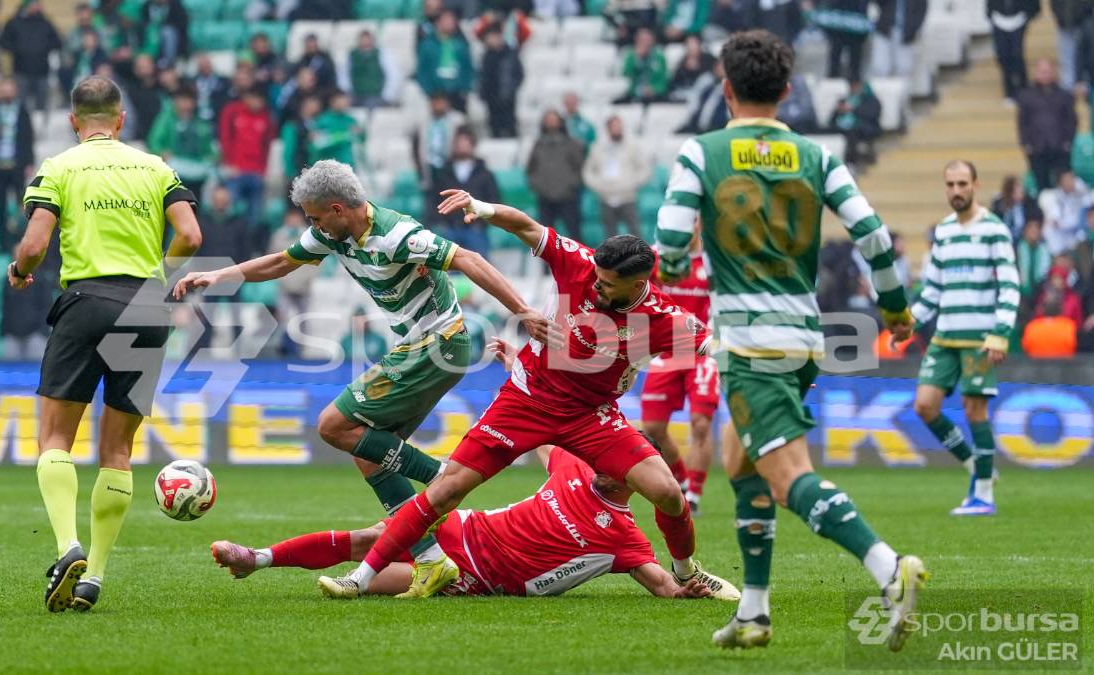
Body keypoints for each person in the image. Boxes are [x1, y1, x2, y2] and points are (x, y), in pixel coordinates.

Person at [315, 189, 730, 604]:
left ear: (638, 284)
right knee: (446, 491)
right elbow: (526, 226)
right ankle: (362, 577)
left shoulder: (664, 318)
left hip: (591, 415)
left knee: (666, 492)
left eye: (607, 285)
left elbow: (717, 349)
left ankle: (688, 572)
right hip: (527, 398)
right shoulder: (580, 262)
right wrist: (482, 208)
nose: (596, 287)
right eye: (597, 279)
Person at [653, 30, 924, 651]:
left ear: (726, 88)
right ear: (787, 90)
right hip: (803, 336)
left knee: (787, 477)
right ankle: (753, 612)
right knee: (739, 463)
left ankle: (889, 570)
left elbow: (669, 244)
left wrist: (669, 269)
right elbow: (875, 238)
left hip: (752, 343)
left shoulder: (702, 151)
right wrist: (896, 312)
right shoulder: (818, 155)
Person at [172, 160, 553, 597]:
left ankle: (440, 474)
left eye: (315, 217)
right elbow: (281, 262)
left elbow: (468, 258)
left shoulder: (396, 234)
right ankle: (430, 561)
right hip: (415, 346)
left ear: (337, 209)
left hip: (438, 343)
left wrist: (522, 310)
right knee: (367, 450)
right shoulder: (332, 234)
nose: (311, 226)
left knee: (333, 424)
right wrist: (219, 274)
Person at [8, 76, 203, 613]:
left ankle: (66, 546)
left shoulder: (59, 167)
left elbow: (34, 245)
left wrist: (20, 271)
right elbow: (190, 235)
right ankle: (93, 574)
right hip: (146, 304)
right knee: (117, 450)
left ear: (75, 123)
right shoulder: (155, 167)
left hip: (87, 300)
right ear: (121, 120)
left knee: (54, 437)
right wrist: (157, 282)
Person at [213, 444, 736, 600]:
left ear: (637, 482)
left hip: (478, 581)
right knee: (369, 539)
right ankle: (255, 559)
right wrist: (517, 367)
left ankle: (268, 562)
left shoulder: (625, 537)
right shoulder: (576, 465)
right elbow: (546, 437)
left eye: (615, 464)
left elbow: (662, 584)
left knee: (381, 582)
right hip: (466, 530)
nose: (603, 463)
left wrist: (687, 590)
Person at [910, 161, 1019, 518]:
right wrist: (909, 323)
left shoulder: (993, 230)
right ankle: (977, 467)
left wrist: (1000, 332)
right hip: (945, 335)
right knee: (925, 405)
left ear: (975, 184)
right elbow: (933, 289)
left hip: (979, 337)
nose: (956, 190)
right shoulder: (942, 230)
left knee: (975, 411)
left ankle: (984, 495)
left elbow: (1009, 285)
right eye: (950, 184)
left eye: (962, 183)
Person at [640, 236, 716, 514]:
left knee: (700, 423)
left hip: (703, 349)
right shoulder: (654, 258)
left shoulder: (714, 260)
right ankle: (682, 481)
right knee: (653, 427)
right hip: (667, 350)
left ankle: (694, 494)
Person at [426, 127, 501, 257]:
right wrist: (439, 222)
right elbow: (434, 199)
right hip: (450, 228)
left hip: (475, 229)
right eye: (458, 143)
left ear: (473, 145)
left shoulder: (484, 173)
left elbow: (493, 200)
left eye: (465, 142)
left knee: (480, 269)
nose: (462, 146)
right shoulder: (443, 173)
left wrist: (481, 223)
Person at [582, 115, 651, 239]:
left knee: (635, 233)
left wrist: (632, 183)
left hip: (627, 197)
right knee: (610, 236)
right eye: (613, 126)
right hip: (606, 198)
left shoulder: (632, 146)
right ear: (608, 129)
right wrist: (599, 187)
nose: (617, 129)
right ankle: (615, 259)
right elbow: (587, 172)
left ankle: (641, 258)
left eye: (619, 126)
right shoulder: (597, 148)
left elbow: (645, 169)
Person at [219, 86, 277, 229]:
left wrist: (263, 170)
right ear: (246, 97)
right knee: (231, 211)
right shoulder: (233, 112)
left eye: (260, 100)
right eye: (253, 98)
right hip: (236, 170)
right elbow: (226, 138)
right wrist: (228, 163)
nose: (256, 102)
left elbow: (266, 146)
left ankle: (249, 245)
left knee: (255, 215)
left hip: (256, 172)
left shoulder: (266, 118)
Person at [0, 78, 35, 251]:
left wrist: (29, 161)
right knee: (0, 207)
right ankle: (2, 242)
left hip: (17, 165)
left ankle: (21, 239)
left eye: (10, 89)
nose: (7, 93)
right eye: (4, 89)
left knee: (20, 205)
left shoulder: (22, 110)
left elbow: (29, 137)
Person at [147, 86, 217, 202]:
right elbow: (154, 142)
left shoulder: (200, 123)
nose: (185, 105)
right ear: (175, 102)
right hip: (174, 167)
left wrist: (213, 157)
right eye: (182, 100)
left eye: (189, 100)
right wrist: (161, 152)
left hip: (197, 168)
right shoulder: (166, 120)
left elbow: (208, 149)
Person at [266, 206, 317, 358]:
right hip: (285, 287)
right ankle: (283, 348)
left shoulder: (309, 236)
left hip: (304, 287)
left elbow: (316, 263)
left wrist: (304, 280)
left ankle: (301, 351)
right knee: (283, 320)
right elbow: (273, 258)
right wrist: (283, 280)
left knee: (303, 320)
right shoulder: (279, 236)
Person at [1018, 58, 1076, 191]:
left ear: (1054, 72)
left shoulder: (1064, 95)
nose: (1045, 75)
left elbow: (1071, 120)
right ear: (1036, 73)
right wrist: (1026, 144)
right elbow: (1023, 122)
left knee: (1063, 185)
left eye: (1048, 71)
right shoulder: (1027, 95)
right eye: (1042, 71)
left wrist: (1068, 141)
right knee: (1042, 185)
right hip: (1037, 148)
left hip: (1060, 147)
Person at [527, 110, 585, 242]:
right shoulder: (538, 145)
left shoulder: (571, 143)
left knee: (574, 234)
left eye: (554, 119)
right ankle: (547, 263)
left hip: (568, 197)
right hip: (545, 198)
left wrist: (571, 185)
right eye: (548, 120)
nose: (551, 123)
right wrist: (538, 186)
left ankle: (578, 263)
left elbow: (580, 167)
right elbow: (531, 169)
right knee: (545, 239)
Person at [0, 0, 62, 114]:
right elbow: (3, 42)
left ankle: (40, 130)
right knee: (21, 107)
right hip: (21, 71)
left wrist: (44, 48)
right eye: (35, 4)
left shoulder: (45, 23)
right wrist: (18, 50)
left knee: (41, 107)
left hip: (42, 71)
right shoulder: (14, 22)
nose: (38, 6)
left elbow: (57, 42)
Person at [416, 10, 473, 113]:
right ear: (438, 22)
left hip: (457, 93)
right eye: (446, 20)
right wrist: (430, 91)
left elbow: (468, 70)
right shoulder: (427, 45)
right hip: (434, 93)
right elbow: (422, 71)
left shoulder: (461, 45)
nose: (450, 23)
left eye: (452, 21)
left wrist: (464, 88)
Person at [988, 0, 1040, 104]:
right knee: (1003, 56)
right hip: (999, 18)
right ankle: (1009, 90)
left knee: (1017, 55)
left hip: (1018, 17)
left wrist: (1031, 13)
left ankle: (1023, 88)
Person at [478, 25, 524, 139]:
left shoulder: (510, 54)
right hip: (491, 99)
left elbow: (518, 74)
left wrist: (511, 89)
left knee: (510, 126)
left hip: (507, 97)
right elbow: (483, 78)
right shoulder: (486, 57)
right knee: (494, 128)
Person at [413, 92, 466, 189]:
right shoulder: (422, 122)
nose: (438, 105)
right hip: (429, 166)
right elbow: (416, 146)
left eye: (441, 102)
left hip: (449, 164)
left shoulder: (458, 121)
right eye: (435, 102)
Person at [341, 29, 400, 109]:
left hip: (376, 94)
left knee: (371, 106)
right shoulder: (351, 55)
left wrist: (387, 95)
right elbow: (344, 76)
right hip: (356, 94)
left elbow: (393, 75)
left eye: (367, 39)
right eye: (362, 39)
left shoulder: (383, 54)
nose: (365, 42)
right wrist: (346, 93)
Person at [816, 0, 871, 83]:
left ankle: (854, 86)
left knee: (855, 64)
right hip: (838, 26)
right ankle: (832, 83)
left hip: (856, 27)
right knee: (835, 59)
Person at [869, 0, 928, 79]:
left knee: (904, 68)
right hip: (885, 30)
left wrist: (912, 30)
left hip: (906, 33)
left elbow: (921, 13)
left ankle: (902, 90)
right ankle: (881, 89)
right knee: (880, 66)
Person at [830, 79, 883, 166]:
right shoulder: (844, 100)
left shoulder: (870, 100)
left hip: (863, 128)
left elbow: (871, 115)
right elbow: (832, 118)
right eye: (852, 86)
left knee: (852, 134)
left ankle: (851, 162)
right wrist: (839, 112)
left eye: (856, 85)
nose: (853, 88)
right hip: (841, 127)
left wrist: (853, 109)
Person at [1022, 288, 1078, 357]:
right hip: (1064, 367)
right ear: (1061, 309)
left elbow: (1025, 348)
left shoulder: (1031, 327)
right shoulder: (1070, 326)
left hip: (1036, 366)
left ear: (1042, 309)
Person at [619, 27, 668, 104]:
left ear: (653, 41)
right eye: (642, 40)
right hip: (634, 94)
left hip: (656, 95)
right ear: (637, 40)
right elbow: (626, 76)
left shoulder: (659, 57)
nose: (645, 43)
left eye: (647, 40)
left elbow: (664, 79)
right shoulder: (630, 56)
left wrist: (654, 89)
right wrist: (637, 59)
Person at [1053, 0, 1093, 90]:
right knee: (1066, 64)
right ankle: (1068, 94)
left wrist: (1084, 15)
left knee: (1085, 58)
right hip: (1063, 24)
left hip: (1084, 22)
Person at [991, 174, 1040, 240]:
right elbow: (995, 222)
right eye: (1018, 191)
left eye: (1021, 191)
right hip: (1003, 238)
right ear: (1010, 192)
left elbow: (1036, 218)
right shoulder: (999, 204)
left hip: (1022, 239)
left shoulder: (1028, 203)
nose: (1022, 192)